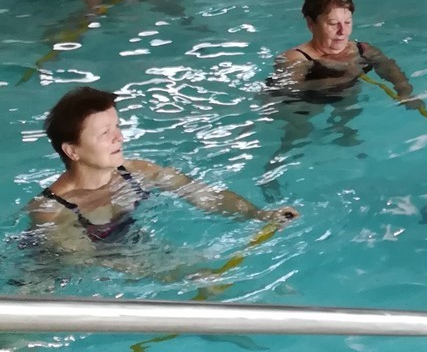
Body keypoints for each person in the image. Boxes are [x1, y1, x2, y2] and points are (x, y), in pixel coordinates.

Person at [28, 86, 297, 256]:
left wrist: (258, 214)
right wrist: (179, 270)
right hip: (50, 277)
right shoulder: (51, 210)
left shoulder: (136, 172)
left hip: (129, 250)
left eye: (117, 127)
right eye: (104, 133)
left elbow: (205, 196)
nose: (119, 138)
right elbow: (87, 261)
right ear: (72, 151)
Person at [270, 0, 420, 104]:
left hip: (346, 99)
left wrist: (405, 91)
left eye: (347, 22)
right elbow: (289, 90)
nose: (343, 31)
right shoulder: (295, 58)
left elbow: (388, 67)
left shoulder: (362, 49)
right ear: (311, 23)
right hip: (304, 106)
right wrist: (345, 76)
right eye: (333, 24)